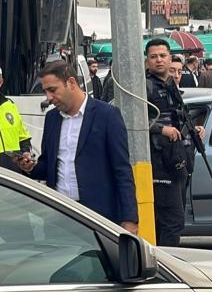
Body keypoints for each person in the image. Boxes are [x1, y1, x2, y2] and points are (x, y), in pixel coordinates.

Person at [16, 61, 138, 232]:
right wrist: (29, 167)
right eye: (45, 91)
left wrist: (129, 219)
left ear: (71, 83)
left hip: (97, 217)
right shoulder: (52, 118)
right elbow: (49, 165)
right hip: (59, 215)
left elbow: (122, 170)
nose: (48, 97)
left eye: (53, 90)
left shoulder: (107, 115)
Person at [145, 39, 205, 246]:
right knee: (172, 221)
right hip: (159, 162)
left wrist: (194, 129)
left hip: (178, 160)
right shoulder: (145, 86)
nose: (158, 60)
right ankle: (163, 262)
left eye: (162, 56)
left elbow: (178, 117)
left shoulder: (171, 85)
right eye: (153, 56)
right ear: (147, 60)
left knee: (170, 222)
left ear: (170, 58)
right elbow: (132, 120)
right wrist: (161, 129)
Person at [0, 67, 33, 174]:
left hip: (13, 174)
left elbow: (23, 137)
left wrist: (25, 152)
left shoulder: (10, 106)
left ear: (1, 82)